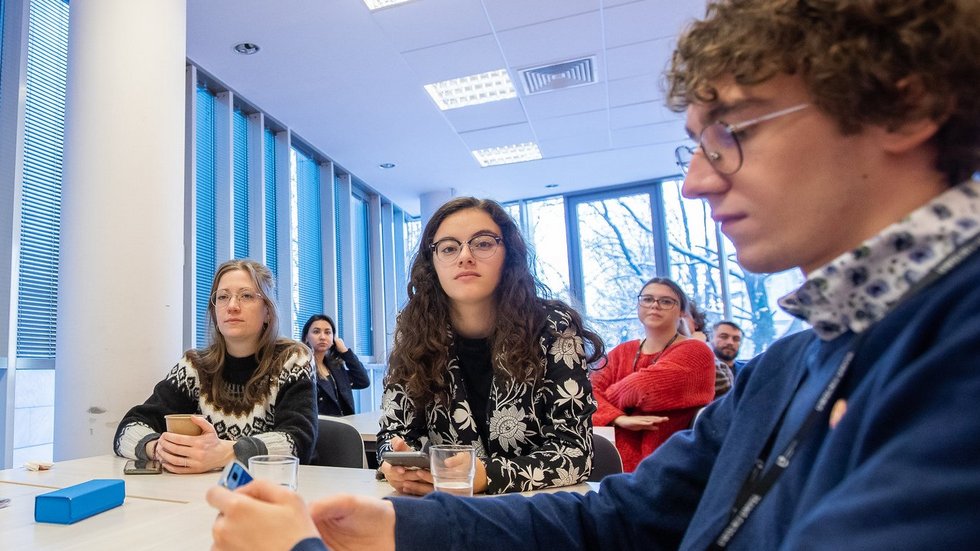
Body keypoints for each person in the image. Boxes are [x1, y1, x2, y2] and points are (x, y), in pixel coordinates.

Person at [207, 1, 980, 549]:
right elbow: (618, 520)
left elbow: (578, 462)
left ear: (902, 107)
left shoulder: (954, 346)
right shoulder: (796, 363)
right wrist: (404, 528)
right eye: (698, 145)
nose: (696, 183)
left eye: (732, 133)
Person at [374, 196, 604, 495]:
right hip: (445, 510)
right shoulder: (415, 330)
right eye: (448, 247)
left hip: (533, 511)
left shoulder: (553, 327)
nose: (465, 256)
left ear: (509, 255)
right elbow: (393, 433)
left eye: (482, 243)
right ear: (432, 264)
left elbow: (575, 451)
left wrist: (487, 476)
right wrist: (398, 464)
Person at [114, 259, 318, 472]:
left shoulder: (293, 359)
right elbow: (128, 428)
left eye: (246, 296)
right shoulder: (195, 366)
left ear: (268, 311)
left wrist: (228, 453)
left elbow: (298, 441)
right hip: (206, 493)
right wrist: (159, 448)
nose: (232, 306)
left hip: (276, 491)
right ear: (214, 311)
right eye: (222, 297)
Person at [591, 277, 715, 471]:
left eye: (666, 301)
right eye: (647, 299)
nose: (654, 306)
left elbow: (642, 389)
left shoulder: (696, 352)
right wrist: (618, 418)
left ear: (682, 311)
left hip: (666, 466)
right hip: (610, 464)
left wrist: (607, 399)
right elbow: (587, 394)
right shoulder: (623, 351)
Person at [301, 314, 369, 417]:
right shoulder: (302, 368)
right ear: (306, 338)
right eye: (316, 332)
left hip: (345, 426)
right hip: (322, 429)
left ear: (333, 339)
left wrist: (345, 352)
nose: (323, 337)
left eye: (328, 332)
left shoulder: (335, 367)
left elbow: (363, 381)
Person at [683, 300, 734, 397]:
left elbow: (722, 388)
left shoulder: (714, 359)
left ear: (696, 323)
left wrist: (697, 348)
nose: (677, 322)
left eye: (683, 316)